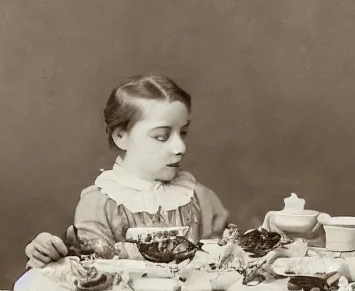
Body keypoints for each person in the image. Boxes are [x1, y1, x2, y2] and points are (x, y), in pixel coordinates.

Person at [24, 74, 230, 269]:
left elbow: (225, 261)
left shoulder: (200, 199)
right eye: (161, 136)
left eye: (183, 133)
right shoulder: (99, 205)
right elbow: (95, 269)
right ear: (121, 136)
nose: (180, 148)